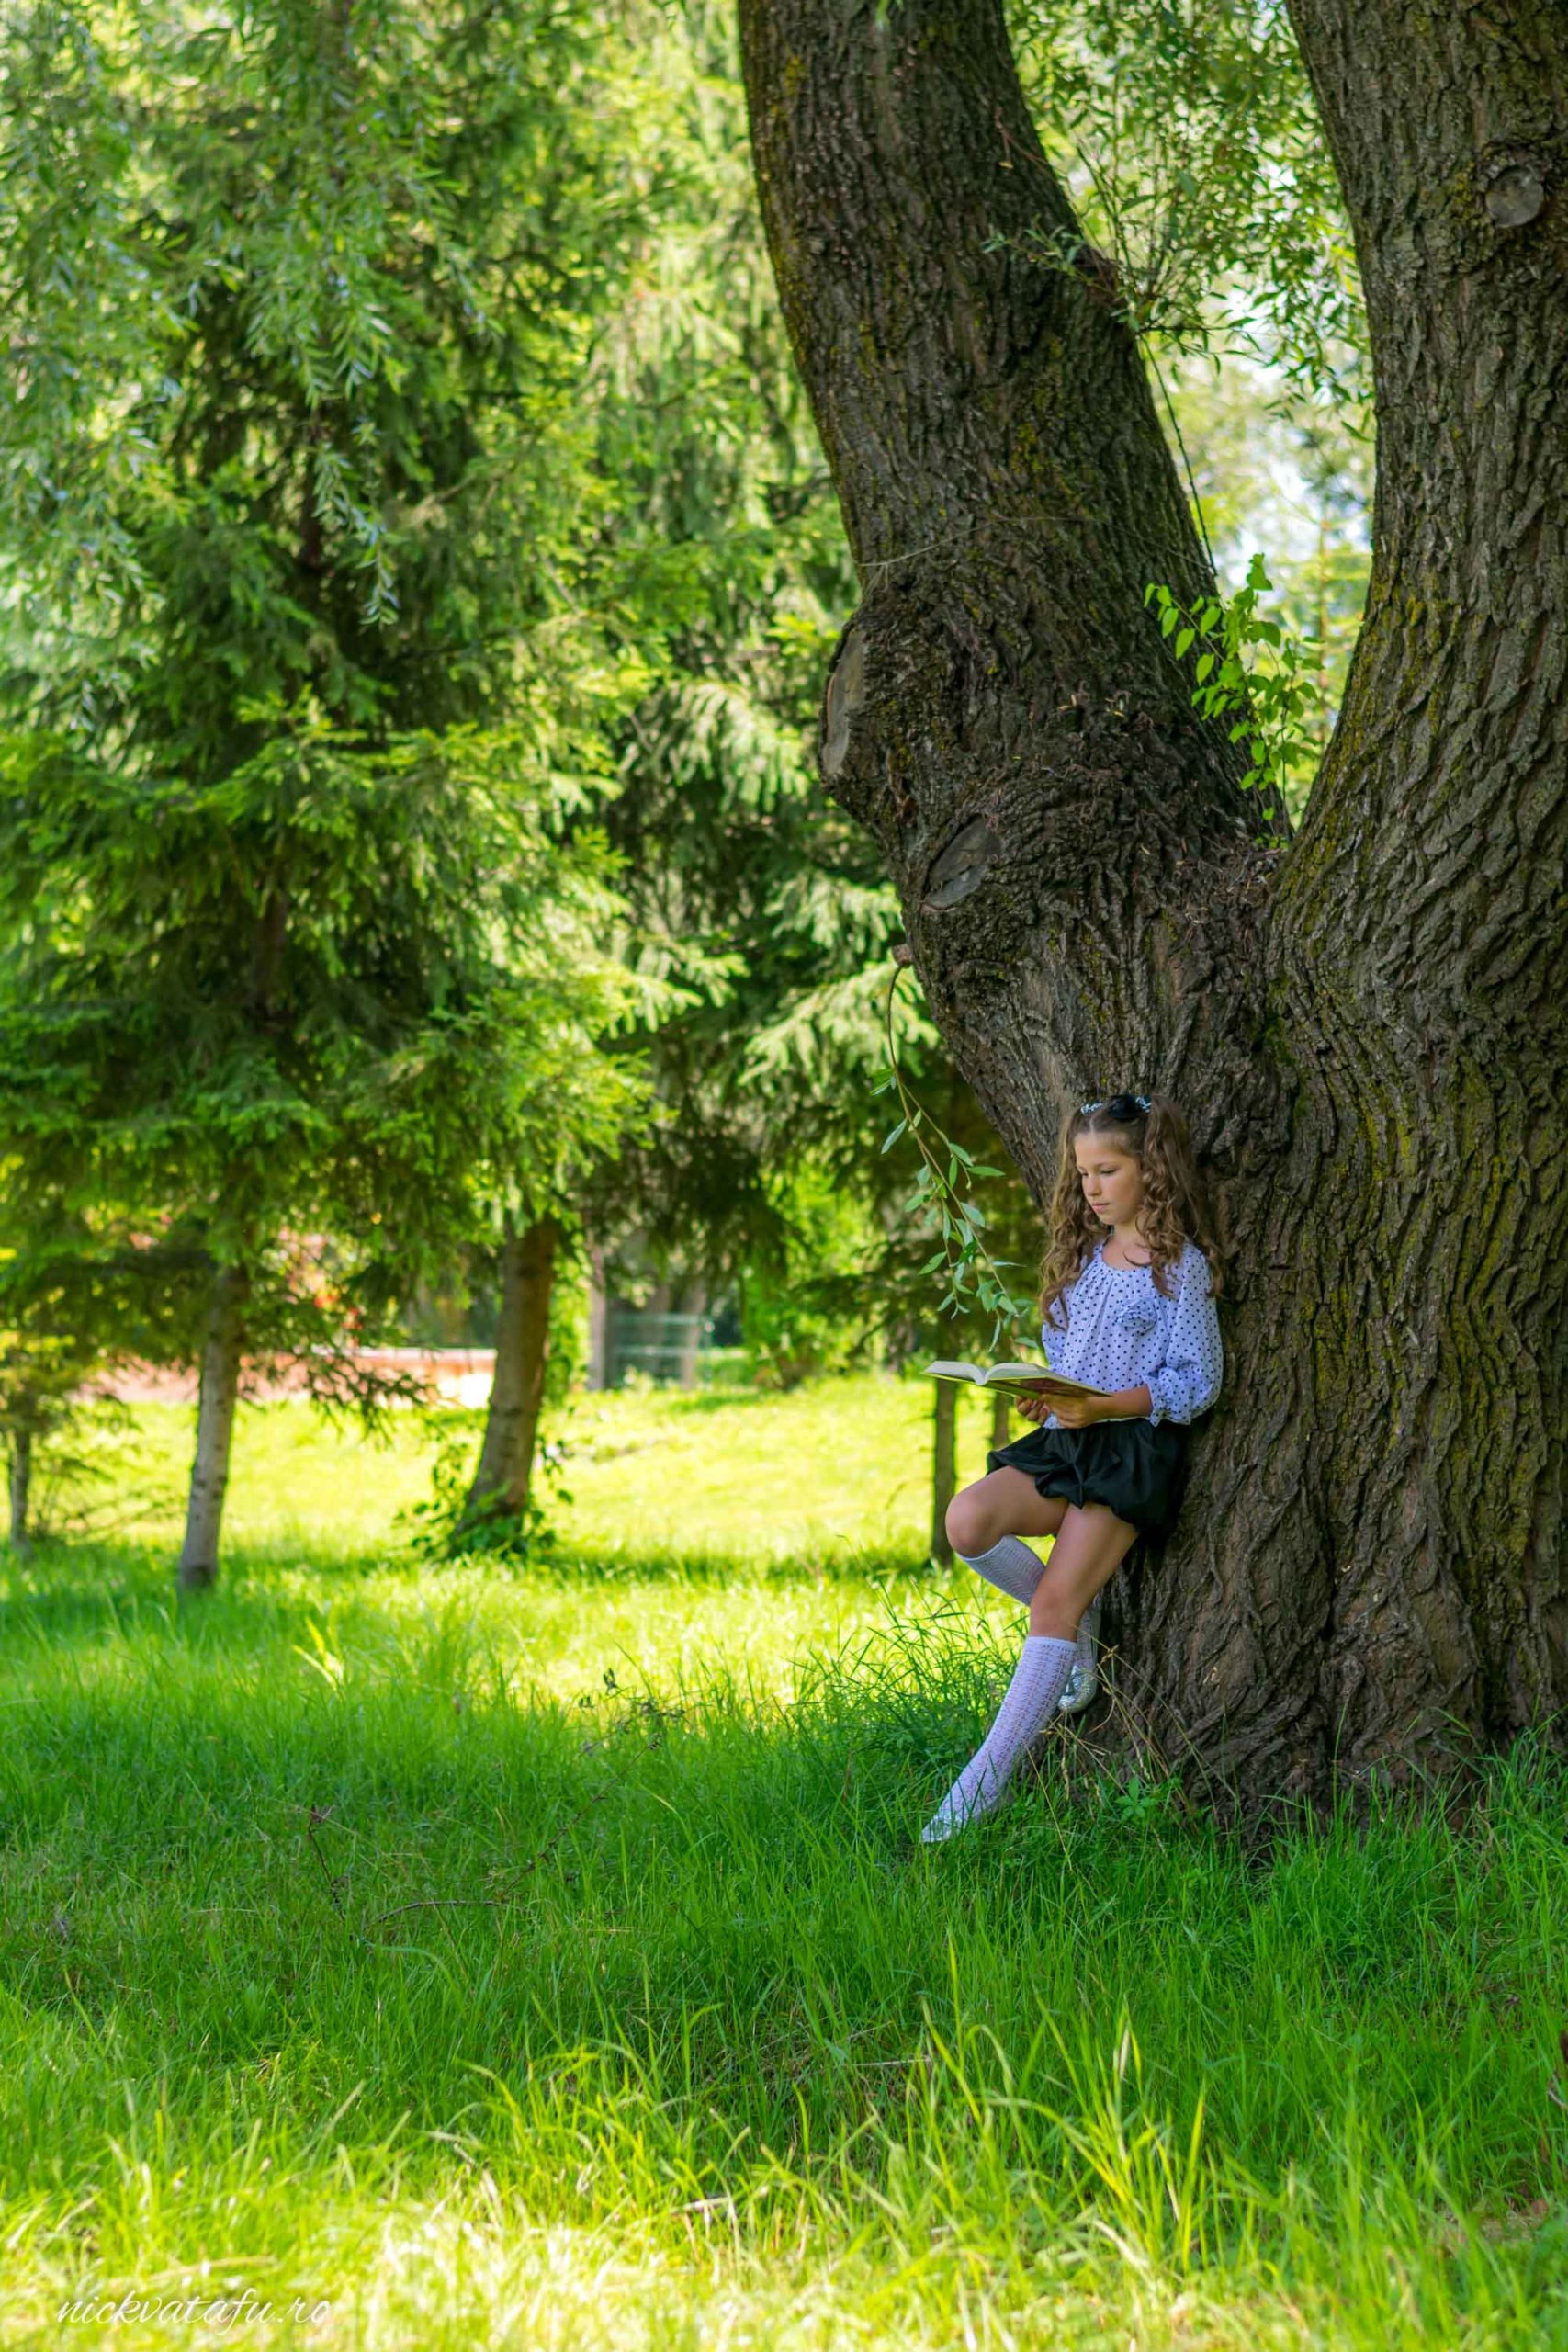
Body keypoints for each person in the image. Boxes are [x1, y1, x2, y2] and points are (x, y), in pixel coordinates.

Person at [920, 1091, 1224, 1844]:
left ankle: (973, 1798)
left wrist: (1107, 1407)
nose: (1091, 1186)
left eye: (1108, 1169)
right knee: (967, 1520)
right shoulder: (1080, 1259)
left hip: (1127, 1448)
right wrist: (1044, 1398)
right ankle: (1082, 1622)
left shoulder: (1177, 1268)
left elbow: (1198, 1379)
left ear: (1149, 1170)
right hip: (1068, 1437)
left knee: (1048, 1603)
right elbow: (1066, 1363)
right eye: (1083, 1171)